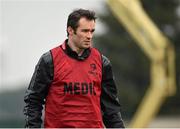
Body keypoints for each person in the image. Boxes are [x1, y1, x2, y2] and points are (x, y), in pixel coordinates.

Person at [24, 8, 125, 128]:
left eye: (92, 31)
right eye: (85, 31)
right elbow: (33, 101)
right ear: (70, 30)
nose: (89, 36)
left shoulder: (102, 62)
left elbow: (111, 109)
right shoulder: (49, 60)